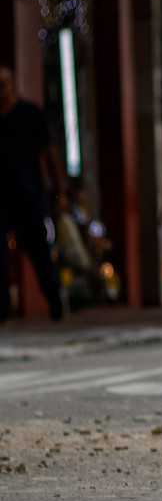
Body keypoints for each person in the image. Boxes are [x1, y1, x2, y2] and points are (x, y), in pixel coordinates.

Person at [0, 67, 64, 321]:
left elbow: (51, 153)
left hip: (28, 194)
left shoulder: (31, 114)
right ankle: (2, 309)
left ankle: (53, 297)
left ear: (13, 85)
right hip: (0, 199)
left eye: (2, 83)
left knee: (39, 252)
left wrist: (61, 191)